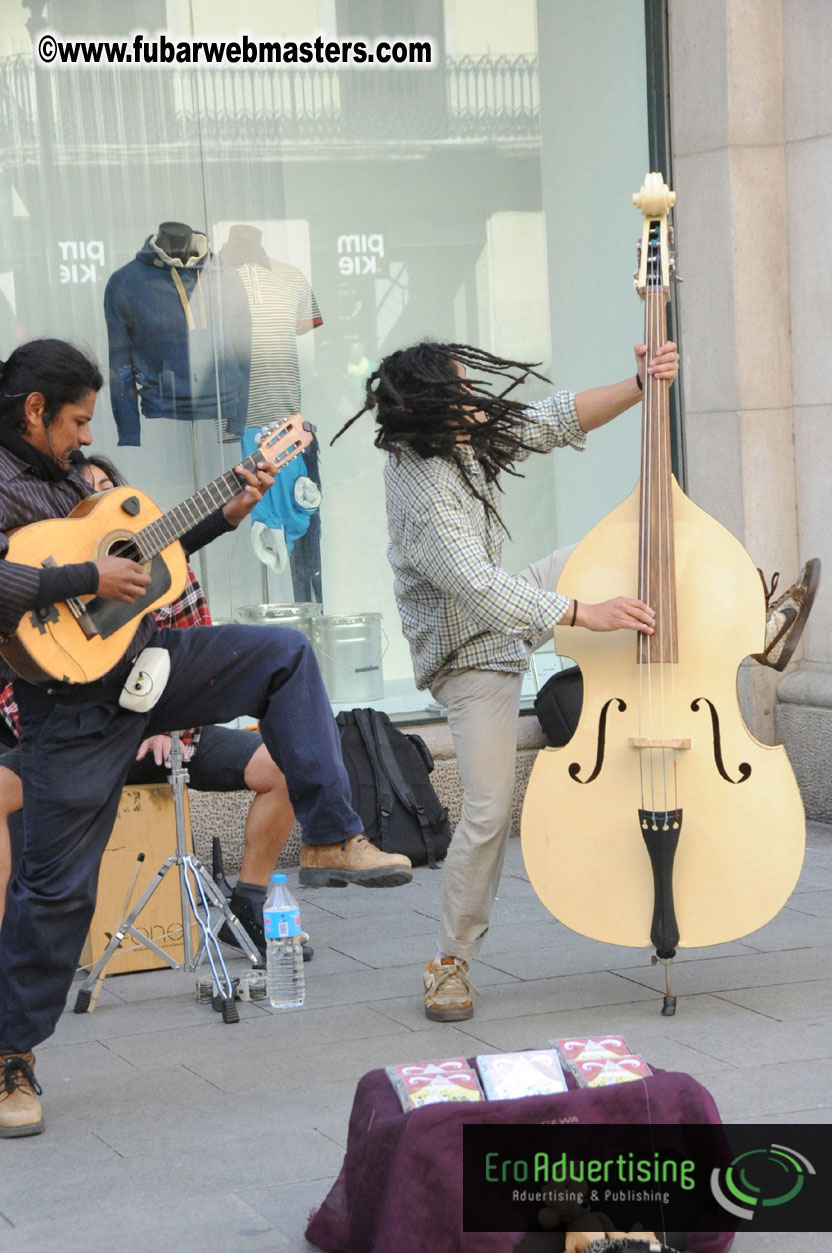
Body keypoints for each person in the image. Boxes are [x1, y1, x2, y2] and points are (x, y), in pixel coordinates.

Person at [333, 337, 818, 1025]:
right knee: (489, 809)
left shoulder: (457, 433)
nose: (476, 400)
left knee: (610, 552)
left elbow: (547, 421)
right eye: (463, 392)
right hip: (471, 655)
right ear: (435, 410)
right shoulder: (425, 494)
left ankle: (751, 630)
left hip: (507, 606)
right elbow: (478, 590)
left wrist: (641, 384)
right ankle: (449, 962)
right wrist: (585, 613)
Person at [0, 339, 411, 1139]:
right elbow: (55, 580)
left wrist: (226, 513)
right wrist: (80, 579)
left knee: (284, 656)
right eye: (77, 420)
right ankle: (11, 1055)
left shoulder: (73, 481)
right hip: (68, 706)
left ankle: (332, 835)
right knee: (57, 892)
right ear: (34, 410)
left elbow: (148, 564)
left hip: (145, 662)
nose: (87, 436)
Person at [0, 452, 313, 962]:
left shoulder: (168, 565)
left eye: (102, 489)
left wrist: (166, 721)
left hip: (169, 737)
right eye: (84, 493)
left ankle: (251, 906)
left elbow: (203, 664)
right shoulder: (45, 586)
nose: (94, 496)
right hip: (81, 738)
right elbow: (14, 693)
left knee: (280, 764)